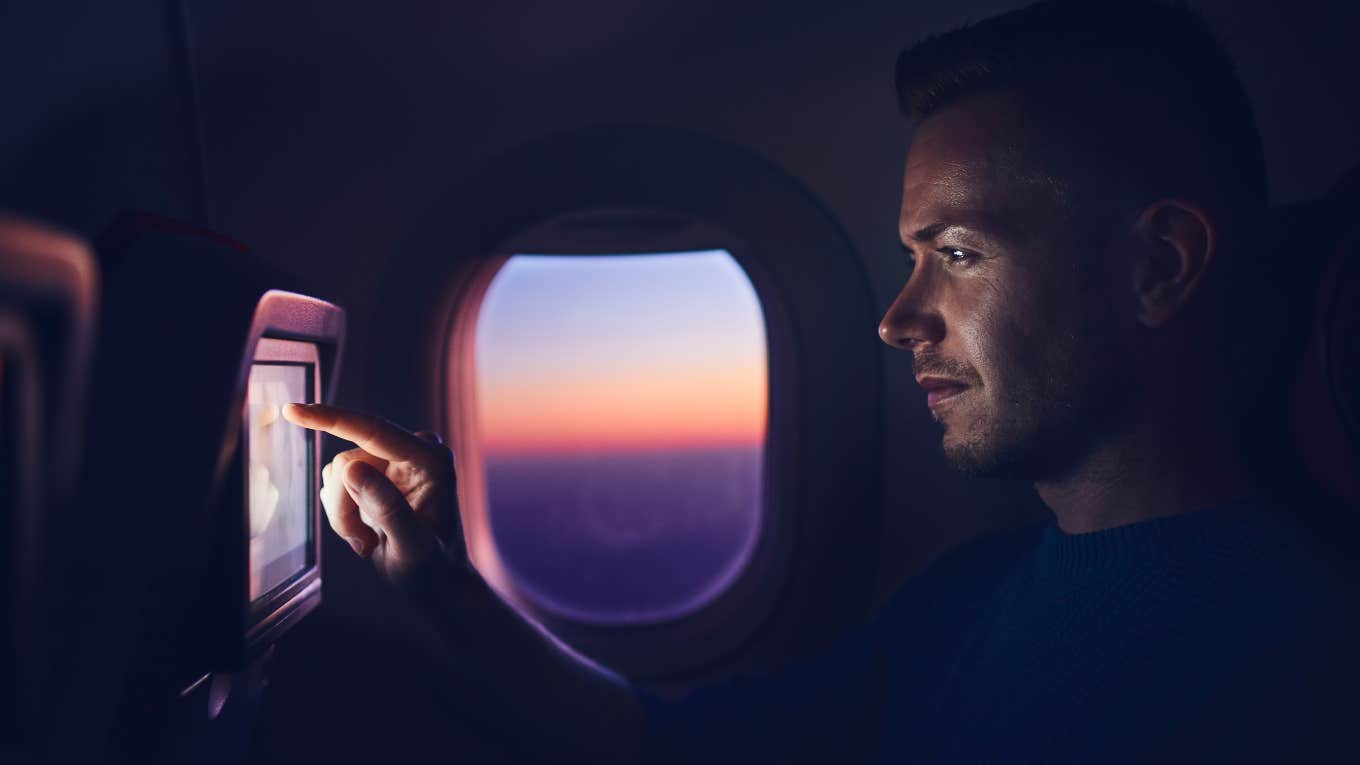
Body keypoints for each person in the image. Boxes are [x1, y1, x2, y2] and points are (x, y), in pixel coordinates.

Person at [283, 0, 1359, 761]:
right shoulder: (964, 601)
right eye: (909, 255)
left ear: (1158, 266)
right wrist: (441, 583)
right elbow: (670, 750)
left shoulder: (1302, 669)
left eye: (960, 253)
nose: (897, 320)